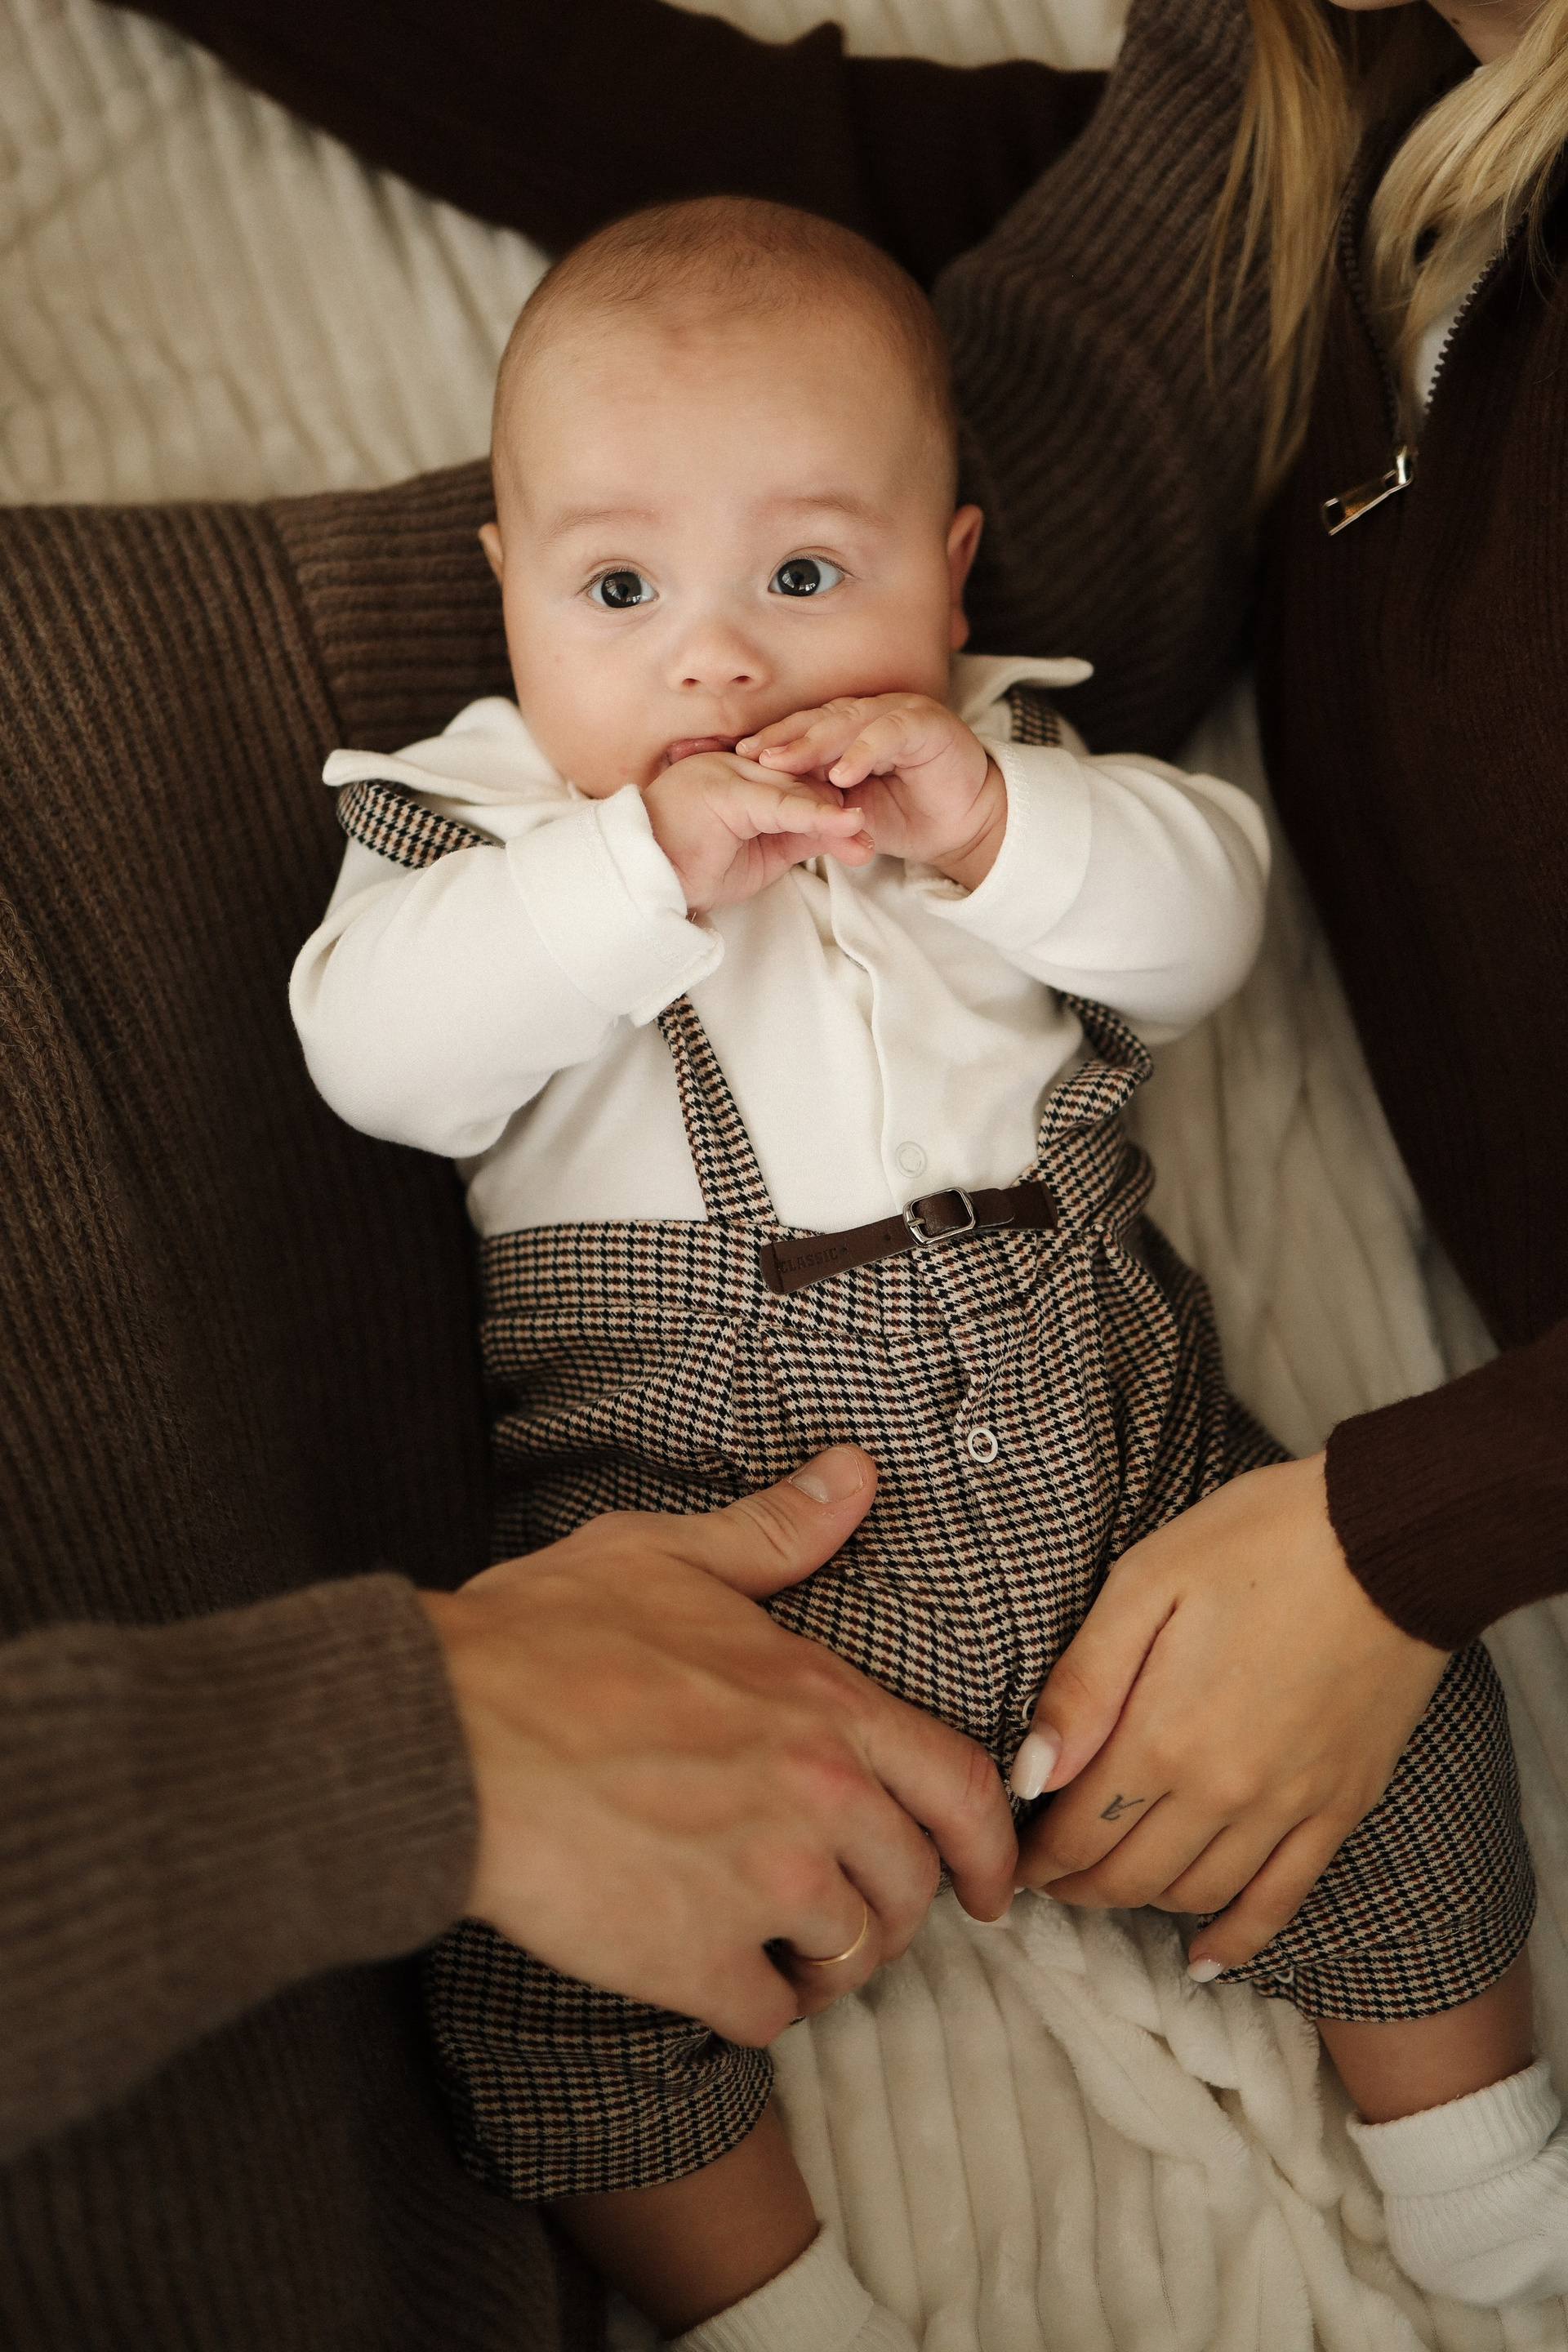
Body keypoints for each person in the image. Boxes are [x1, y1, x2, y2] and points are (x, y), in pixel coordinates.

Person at [289, 192, 1557, 2334]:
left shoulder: (1006, 765)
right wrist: (634, 873)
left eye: (806, 576)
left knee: (1414, 1747)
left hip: (1129, 1494)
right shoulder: (482, 830)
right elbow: (376, 1064)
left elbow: (1210, 922)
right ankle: (773, 2314)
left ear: (949, 574)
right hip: (729, 1553)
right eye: (620, 590)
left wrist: (990, 828)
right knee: (544, 1981)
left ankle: (1488, 2180)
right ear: (506, 594)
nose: (719, 661)